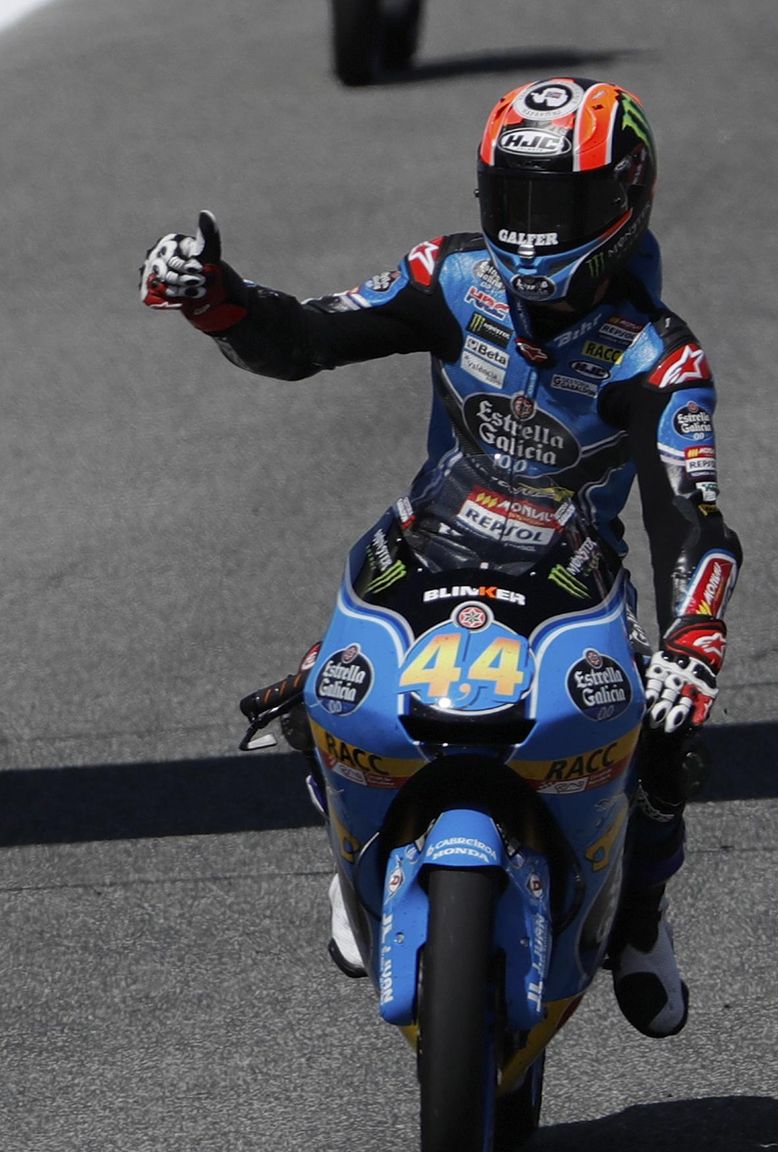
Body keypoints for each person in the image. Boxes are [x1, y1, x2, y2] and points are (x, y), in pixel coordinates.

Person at [140, 76, 742, 1040]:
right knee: (324, 691)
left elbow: (692, 515)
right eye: (514, 201)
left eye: (560, 206)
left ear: (625, 199)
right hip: (429, 540)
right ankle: (354, 851)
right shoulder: (451, 276)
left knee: (665, 742)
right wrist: (220, 301)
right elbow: (309, 337)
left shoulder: (661, 360)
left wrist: (692, 641)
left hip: (576, 574)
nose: (533, 234)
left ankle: (639, 919)